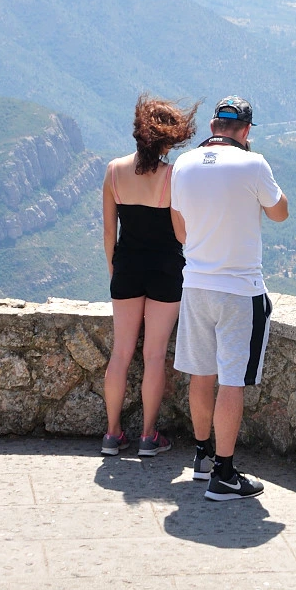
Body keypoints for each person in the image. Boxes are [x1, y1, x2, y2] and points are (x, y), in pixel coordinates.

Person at [170, 95, 289, 500]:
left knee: (201, 374)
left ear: (212, 127)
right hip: (239, 289)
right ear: (247, 130)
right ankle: (224, 474)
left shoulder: (183, 164)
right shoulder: (253, 164)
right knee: (232, 381)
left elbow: (180, 231)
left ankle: (202, 457)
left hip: (195, 286)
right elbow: (279, 213)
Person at [101, 93, 198, 457]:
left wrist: (115, 270)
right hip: (165, 270)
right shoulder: (173, 177)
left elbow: (109, 233)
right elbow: (182, 233)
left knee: (121, 353)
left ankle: (112, 434)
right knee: (154, 355)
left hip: (126, 267)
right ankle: (147, 437)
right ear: (168, 140)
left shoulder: (113, 171)